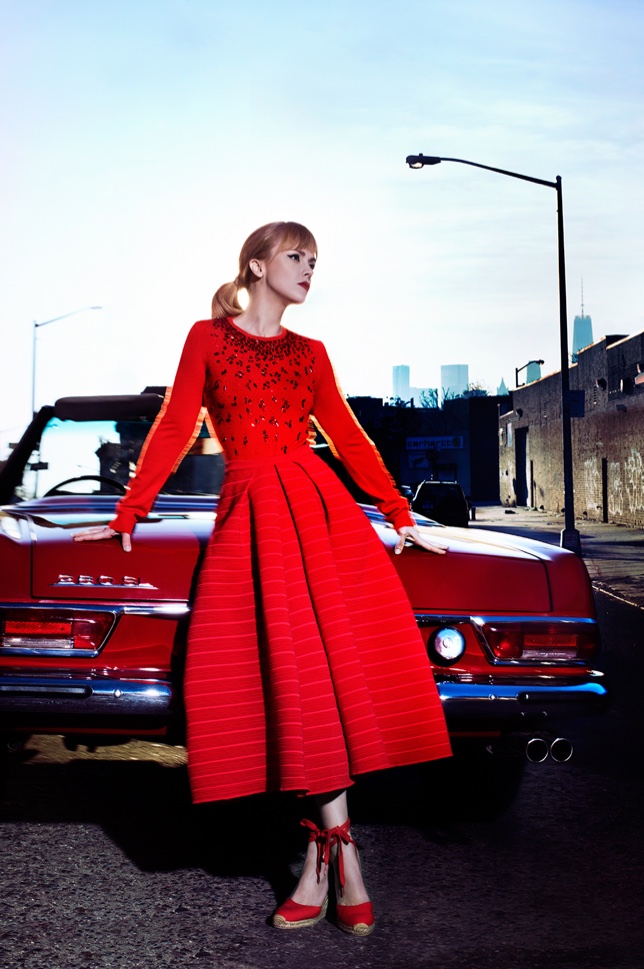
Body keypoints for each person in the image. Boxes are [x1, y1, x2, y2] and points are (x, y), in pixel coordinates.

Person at [74, 221, 452, 936]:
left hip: (320, 515)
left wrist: (400, 512)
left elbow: (346, 435)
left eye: (315, 259)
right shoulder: (206, 339)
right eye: (296, 256)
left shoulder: (312, 354)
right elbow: (175, 425)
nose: (310, 268)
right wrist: (130, 512)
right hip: (251, 520)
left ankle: (331, 855)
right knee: (282, 682)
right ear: (255, 263)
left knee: (326, 676)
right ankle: (336, 853)